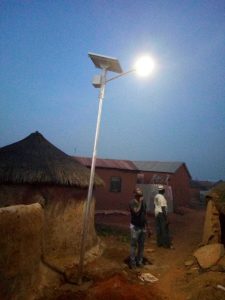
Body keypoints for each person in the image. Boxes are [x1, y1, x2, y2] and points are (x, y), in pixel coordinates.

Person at [129, 187, 149, 269]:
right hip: (135, 227)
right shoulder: (132, 203)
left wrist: (148, 227)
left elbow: (145, 214)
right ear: (135, 194)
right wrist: (140, 203)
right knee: (133, 245)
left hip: (142, 227)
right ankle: (132, 263)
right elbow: (136, 212)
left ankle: (139, 261)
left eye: (141, 193)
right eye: (138, 193)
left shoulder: (143, 202)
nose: (140, 194)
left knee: (141, 246)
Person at [154, 185, 173, 249]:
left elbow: (155, 205)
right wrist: (166, 218)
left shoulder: (156, 196)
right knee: (164, 229)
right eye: (164, 190)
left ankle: (159, 243)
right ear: (162, 190)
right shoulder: (162, 197)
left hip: (156, 213)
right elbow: (163, 208)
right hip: (162, 214)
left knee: (158, 229)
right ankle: (166, 245)